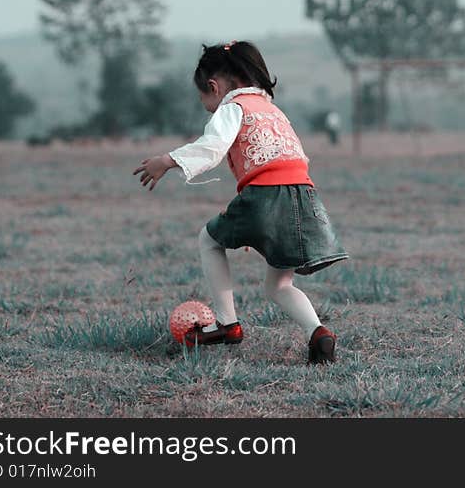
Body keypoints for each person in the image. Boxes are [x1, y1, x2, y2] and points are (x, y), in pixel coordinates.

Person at [132, 40, 348, 364]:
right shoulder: (273, 110)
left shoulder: (233, 108)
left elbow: (212, 147)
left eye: (205, 101)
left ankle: (227, 324)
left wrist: (167, 160)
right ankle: (318, 332)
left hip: (265, 195)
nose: (208, 107)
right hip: (303, 195)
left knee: (208, 241)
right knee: (279, 284)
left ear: (213, 86)